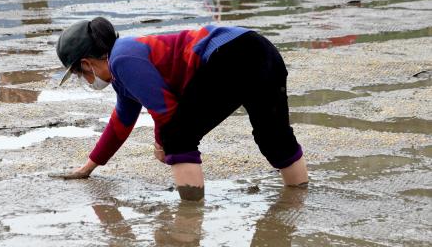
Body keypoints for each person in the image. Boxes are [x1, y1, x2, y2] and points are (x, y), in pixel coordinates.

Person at [53, 17, 309, 201]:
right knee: (273, 136)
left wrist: (161, 144)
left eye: (80, 75)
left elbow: (165, 110)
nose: (86, 81)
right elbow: (120, 123)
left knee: (176, 136)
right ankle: (299, 199)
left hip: (229, 55)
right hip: (259, 48)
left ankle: (189, 216)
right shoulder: (123, 70)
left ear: (86, 63)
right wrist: (89, 167)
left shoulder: (122, 60)